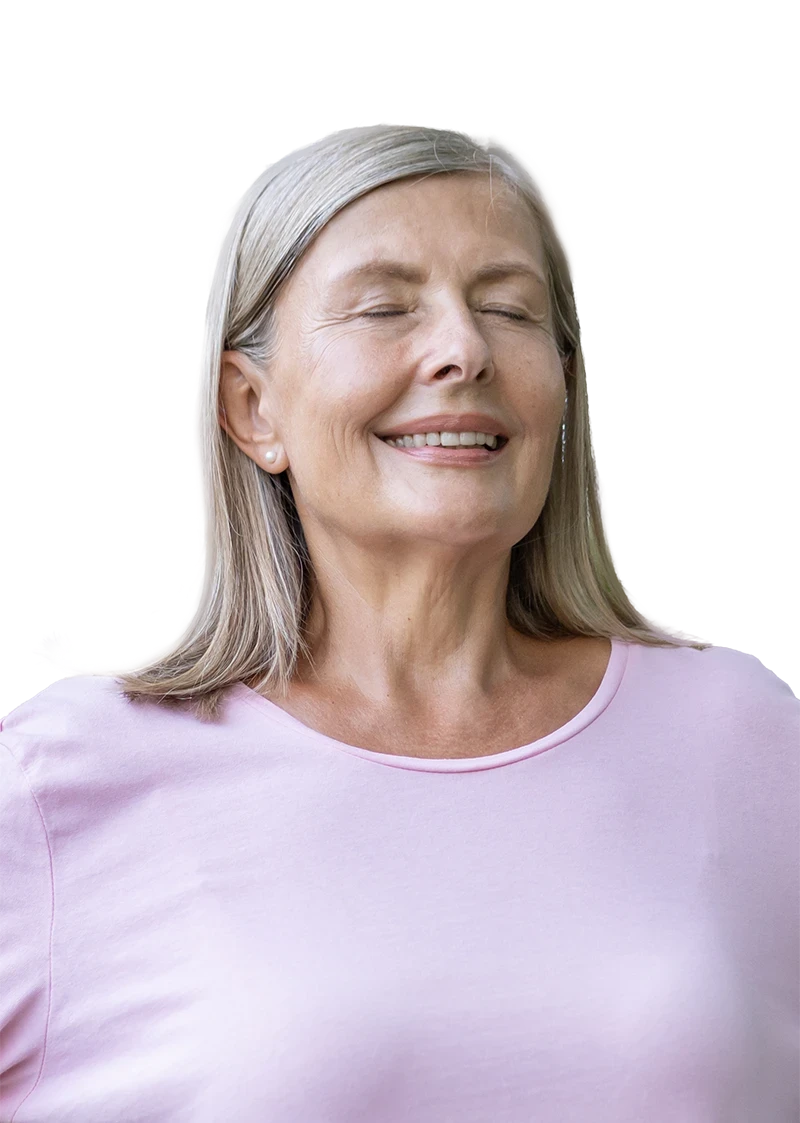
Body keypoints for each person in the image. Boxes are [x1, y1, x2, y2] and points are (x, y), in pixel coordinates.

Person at [1, 126, 798, 1120]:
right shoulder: (52, 782)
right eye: (383, 306)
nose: (463, 349)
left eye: (508, 308)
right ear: (253, 408)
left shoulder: (748, 735)